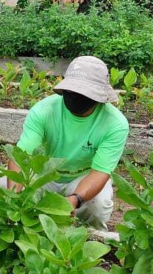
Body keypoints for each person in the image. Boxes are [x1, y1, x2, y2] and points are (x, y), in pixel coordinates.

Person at [7, 56, 129, 230]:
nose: (76, 97)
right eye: (72, 92)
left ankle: (92, 239)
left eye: (84, 94)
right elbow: (20, 156)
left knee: (98, 204)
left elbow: (100, 172)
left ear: (99, 97)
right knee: (3, 188)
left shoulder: (115, 123)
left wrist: (75, 199)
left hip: (82, 178)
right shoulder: (44, 111)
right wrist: (13, 200)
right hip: (44, 174)